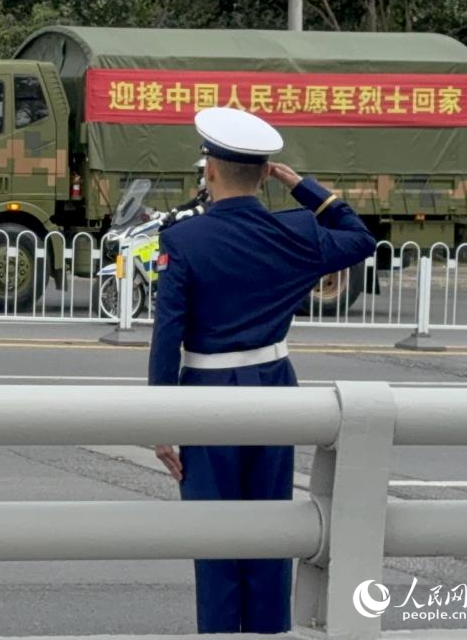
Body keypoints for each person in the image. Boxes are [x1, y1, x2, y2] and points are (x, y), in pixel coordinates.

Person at [148, 107, 376, 634]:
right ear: (266, 172)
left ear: (209, 169)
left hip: (206, 397)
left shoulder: (184, 241)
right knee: (273, 531)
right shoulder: (296, 232)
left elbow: (169, 336)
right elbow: (359, 238)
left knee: (215, 536)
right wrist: (304, 188)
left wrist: (160, 419)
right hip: (277, 390)